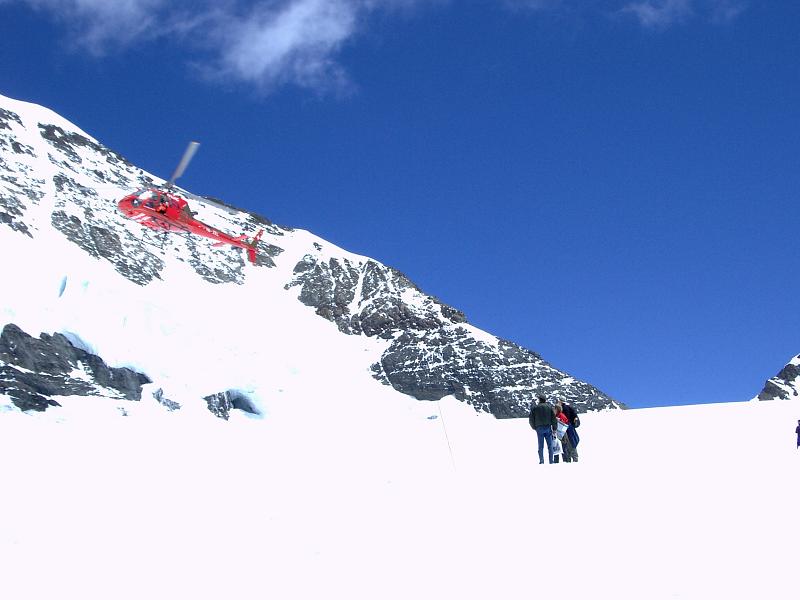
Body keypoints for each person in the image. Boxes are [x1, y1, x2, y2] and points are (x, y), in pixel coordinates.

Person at [528, 393, 557, 464]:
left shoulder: (535, 408)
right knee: (550, 446)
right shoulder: (549, 407)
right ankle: (551, 461)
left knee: (540, 446)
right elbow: (554, 419)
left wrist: (534, 427)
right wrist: (554, 428)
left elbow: (531, 419)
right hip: (548, 428)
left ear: (539, 400)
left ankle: (541, 461)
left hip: (539, 428)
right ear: (545, 400)